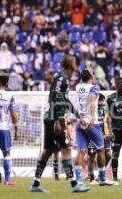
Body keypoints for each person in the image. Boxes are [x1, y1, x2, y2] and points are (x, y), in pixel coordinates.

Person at [30, 55, 90, 193]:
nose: (76, 63)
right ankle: (74, 184)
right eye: (74, 61)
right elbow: (56, 97)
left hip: (51, 117)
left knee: (48, 151)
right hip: (54, 118)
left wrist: (77, 114)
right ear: (70, 64)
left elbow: (65, 99)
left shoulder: (62, 77)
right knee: (66, 148)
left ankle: (35, 184)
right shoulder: (62, 78)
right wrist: (57, 120)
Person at [75, 70, 114, 186]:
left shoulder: (78, 87)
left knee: (81, 151)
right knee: (101, 149)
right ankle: (102, 179)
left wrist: (82, 117)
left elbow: (81, 102)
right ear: (91, 76)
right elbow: (91, 101)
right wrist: (91, 117)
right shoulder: (94, 88)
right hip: (91, 122)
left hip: (80, 122)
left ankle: (79, 180)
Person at [87, 93, 112, 184]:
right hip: (93, 134)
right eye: (102, 100)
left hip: (104, 135)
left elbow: (107, 120)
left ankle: (101, 175)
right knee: (92, 157)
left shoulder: (104, 109)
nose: (104, 102)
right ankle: (91, 177)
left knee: (108, 155)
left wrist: (109, 132)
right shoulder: (92, 109)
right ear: (98, 101)